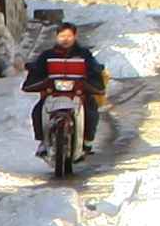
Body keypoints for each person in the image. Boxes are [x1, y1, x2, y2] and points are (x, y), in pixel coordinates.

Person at [28, 19, 108, 176]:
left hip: (79, 94)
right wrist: (34, 74)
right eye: (62, 36)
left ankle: (86, 142)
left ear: (75, 37)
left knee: (91, 111)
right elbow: (37, 69)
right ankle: (43, 142)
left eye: (69, 36)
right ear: (57, 37)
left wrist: (94, 76)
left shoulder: (84, 55)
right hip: (53, 94)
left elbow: (94, 68)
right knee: (37, 111)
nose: (65, 39)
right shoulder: (47, 55)